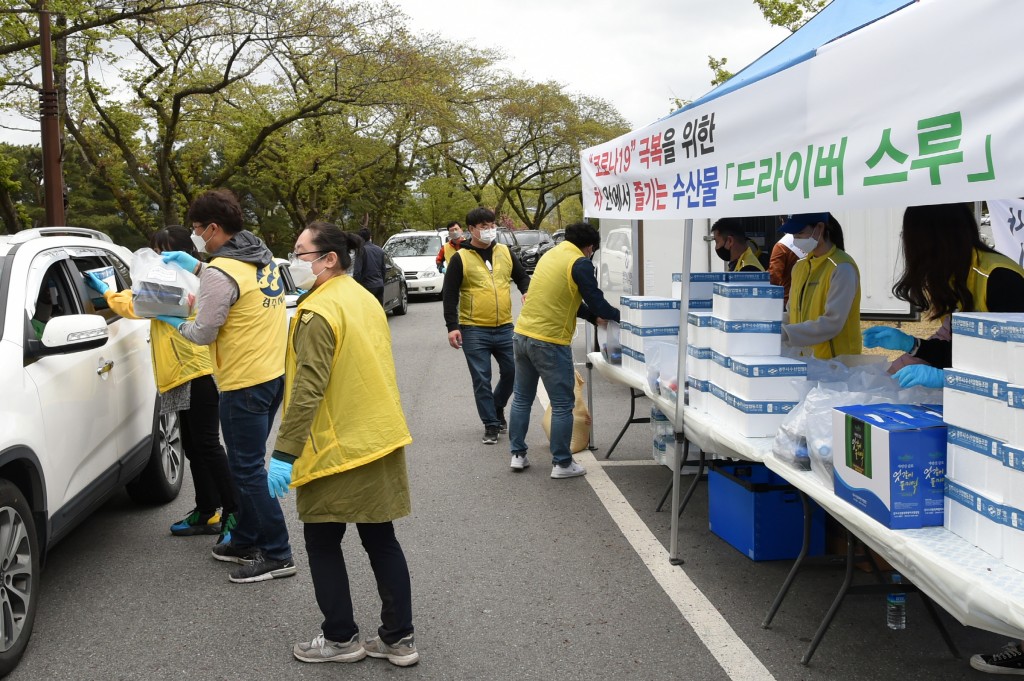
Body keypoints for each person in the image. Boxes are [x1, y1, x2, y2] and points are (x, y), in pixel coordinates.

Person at [267, 222, 417, 667]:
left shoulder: (317, 313)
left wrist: (284, 452)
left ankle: (340, 638)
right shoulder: (362, 298)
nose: (293, 261)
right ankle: (398, 638)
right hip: (379, 435)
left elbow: (307, 390)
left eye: (300, 252)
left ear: (328, 258)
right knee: (381, 538)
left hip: (336, 446)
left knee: (322, 539)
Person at [158, 188, 295, 584]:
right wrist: (200, 268)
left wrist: (175, 321)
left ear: (213, 228)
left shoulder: (222, 271)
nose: (195, 236)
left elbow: (202, 333)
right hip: (273, 373)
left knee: (247, 470)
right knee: (246, 464)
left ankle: (277, 553)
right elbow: (236, 287)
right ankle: (246, 539)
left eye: (197, 229)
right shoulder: (260, 254)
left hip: (244, 381)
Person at [85, 226, 240, 542]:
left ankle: (235, 514)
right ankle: (207, 509)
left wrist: (106, 292)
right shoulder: (172, 283)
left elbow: (140, 304)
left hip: (197, 373)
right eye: (155, 251)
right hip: (179, 375)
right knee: (195, 448)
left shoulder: (192, 284)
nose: (158, 258)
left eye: (164, 252)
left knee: (208, 446)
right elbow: (144, 299)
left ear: (183, 254)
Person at [863, 203, 1024, 389]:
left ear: (934, 239)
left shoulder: (998, 278)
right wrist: (913, 345)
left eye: (910, 238)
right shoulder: (956, 276)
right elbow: (961, 350)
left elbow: (1013, 358)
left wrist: (947, 378)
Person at [509, 222, 620, 478]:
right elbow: (597, 301)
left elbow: (566, 297)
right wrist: (621, 317)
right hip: (549, 341)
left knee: (522, 398)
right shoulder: (580, 262)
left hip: (522, 334)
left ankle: (517, 454)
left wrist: (593, 318)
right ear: (590, 247)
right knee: (562, 404)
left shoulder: (552, 255)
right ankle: (562, 463)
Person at [443, 207, 530, 445]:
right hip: (473, 329)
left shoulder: (505, 251)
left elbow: (522, 276)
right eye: (483, 226)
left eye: (492, 225)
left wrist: (526, 291)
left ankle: (497, 405)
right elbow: (449, 294)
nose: (490, 230)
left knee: (513, 372)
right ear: (471, 229)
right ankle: (491, 424)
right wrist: (452, 326)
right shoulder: (460, 258)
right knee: (481, 378)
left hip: (505, 326)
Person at [778, 212, 861, 360]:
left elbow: (832, 323)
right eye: (793, 235)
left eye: (800, 233)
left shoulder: (842, 267)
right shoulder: (799, 267)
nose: (796, 239)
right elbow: (792, 314)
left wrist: (785, 333)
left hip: (837, 364)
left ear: (820, 228)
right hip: (807, 360)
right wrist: (770, 327)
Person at [768, 228, 807, 306]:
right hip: (808, 297)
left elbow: (774, 277)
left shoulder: (781, 246)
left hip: (787, 300)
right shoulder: (813, 243)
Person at [352, 227, 387, 306]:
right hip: (379, 285)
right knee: (379, 309)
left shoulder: (361, 250)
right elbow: (383, 269)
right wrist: (382, 281)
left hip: (367, 286)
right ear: (370, 237)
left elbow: (357, 271)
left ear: (360, 238)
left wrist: (355, 284)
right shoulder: (379, 250)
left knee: (368, 310)